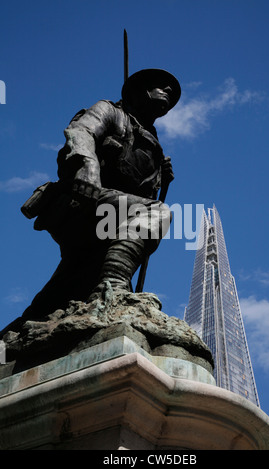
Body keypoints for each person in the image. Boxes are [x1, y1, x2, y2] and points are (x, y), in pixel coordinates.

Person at [21, 69, 181, 319]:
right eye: (160, 86)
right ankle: (112, 287)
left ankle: (21, 331)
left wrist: (161, 178)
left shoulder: (153, 145)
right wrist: (88, 166)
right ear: (138, 91)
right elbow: (80, 132)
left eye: (171, 90)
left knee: (67, 287)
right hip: (79, 199)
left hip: (109, 220)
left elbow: (139, 195)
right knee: (156, 212)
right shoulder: (110, 111)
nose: (169, 91)